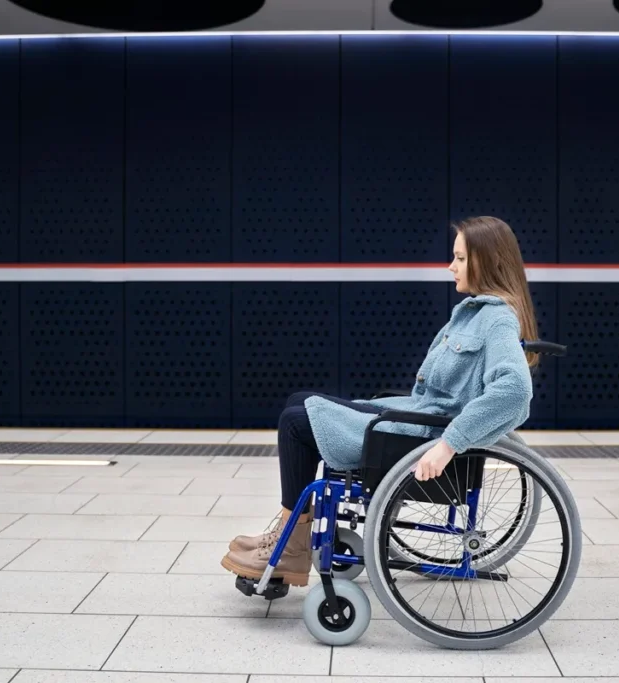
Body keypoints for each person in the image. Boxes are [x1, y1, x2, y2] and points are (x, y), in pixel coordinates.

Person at [220, 216, 539, 586]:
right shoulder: (473, 313)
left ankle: (292, 543)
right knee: (298, 401)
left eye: (461, 258)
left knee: (295, 422)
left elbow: (515, 392)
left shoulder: (496, 319)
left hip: (420, 435)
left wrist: (450, 443)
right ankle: (290, 530)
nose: (451, 266)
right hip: (415, 419)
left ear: (488, 261)